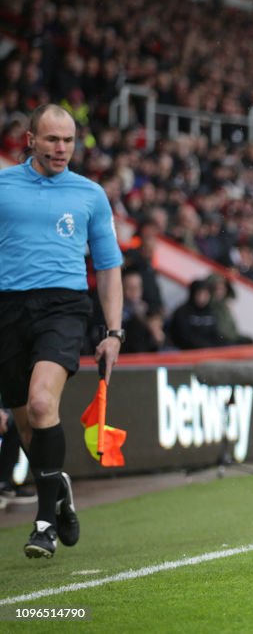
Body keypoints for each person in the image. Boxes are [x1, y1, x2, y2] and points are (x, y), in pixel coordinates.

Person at [0, 104, 124, 559]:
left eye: (68, 140)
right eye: (52, 139)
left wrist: (114, 331)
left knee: (40, 403)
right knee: (31, 428)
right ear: (29, 139)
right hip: (7, 309)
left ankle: (44, 523)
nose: (61, 148)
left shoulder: (89, 194)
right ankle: (61, 492)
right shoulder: (2, 186)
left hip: (64, 306)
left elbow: (109, 268)